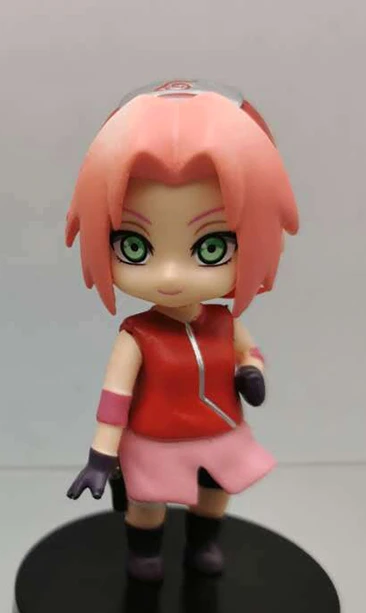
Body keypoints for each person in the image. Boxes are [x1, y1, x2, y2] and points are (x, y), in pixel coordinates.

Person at [66, 80, 299, 582]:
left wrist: (252, 371)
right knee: (148, 501)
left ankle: (203, 542)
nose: (170, 276)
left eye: (211, 247)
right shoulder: (136, 336)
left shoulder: (224, 323)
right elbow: (115, 398)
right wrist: (101, 456)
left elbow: (250, 351)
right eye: (134, 246)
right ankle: (145, 552)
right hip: (155, 439)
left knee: (216, 492)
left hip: (221, 431)